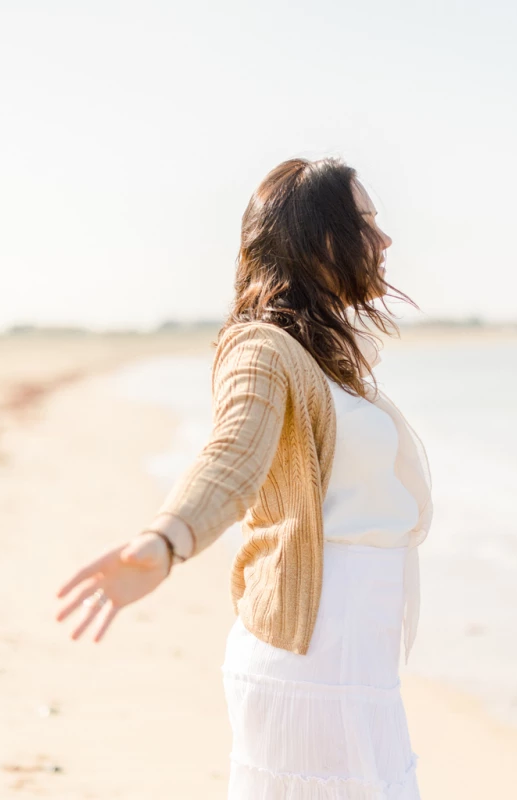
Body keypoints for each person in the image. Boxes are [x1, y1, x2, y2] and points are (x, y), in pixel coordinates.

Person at [56, 156, 433, 799]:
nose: (385, 239)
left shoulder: (328, 361)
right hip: (311, 654)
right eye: (366, 221)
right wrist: (167, 538)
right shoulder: (261, 348)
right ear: (321, 239)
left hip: (353, 658)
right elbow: (233, 452)